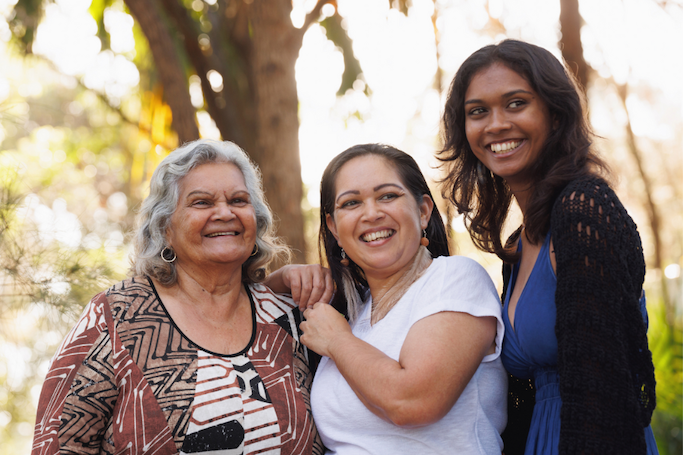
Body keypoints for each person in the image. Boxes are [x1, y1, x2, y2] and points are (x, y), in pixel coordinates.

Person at [31, 139, 331, 454]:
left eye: (239, 200)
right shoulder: (117, 316)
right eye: (202, 202)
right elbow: (58, 444)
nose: (224, 212)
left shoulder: (286, 318)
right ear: (166, 227)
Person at [439, 39, 658, 455]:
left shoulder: (584, 210)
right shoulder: (518, 247)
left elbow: (605, 385)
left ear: (555, 115)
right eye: (478, 111)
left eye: (516, 103)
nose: (495, 124)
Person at [300, 144, 507, 454]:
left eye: (387, 196)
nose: (371, 213)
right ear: (334, 228)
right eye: (352, 202)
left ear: (423, 211)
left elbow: (413, 402)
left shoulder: (454, 279)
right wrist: (287, 275)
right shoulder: (354, 313)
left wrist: (337, 341)